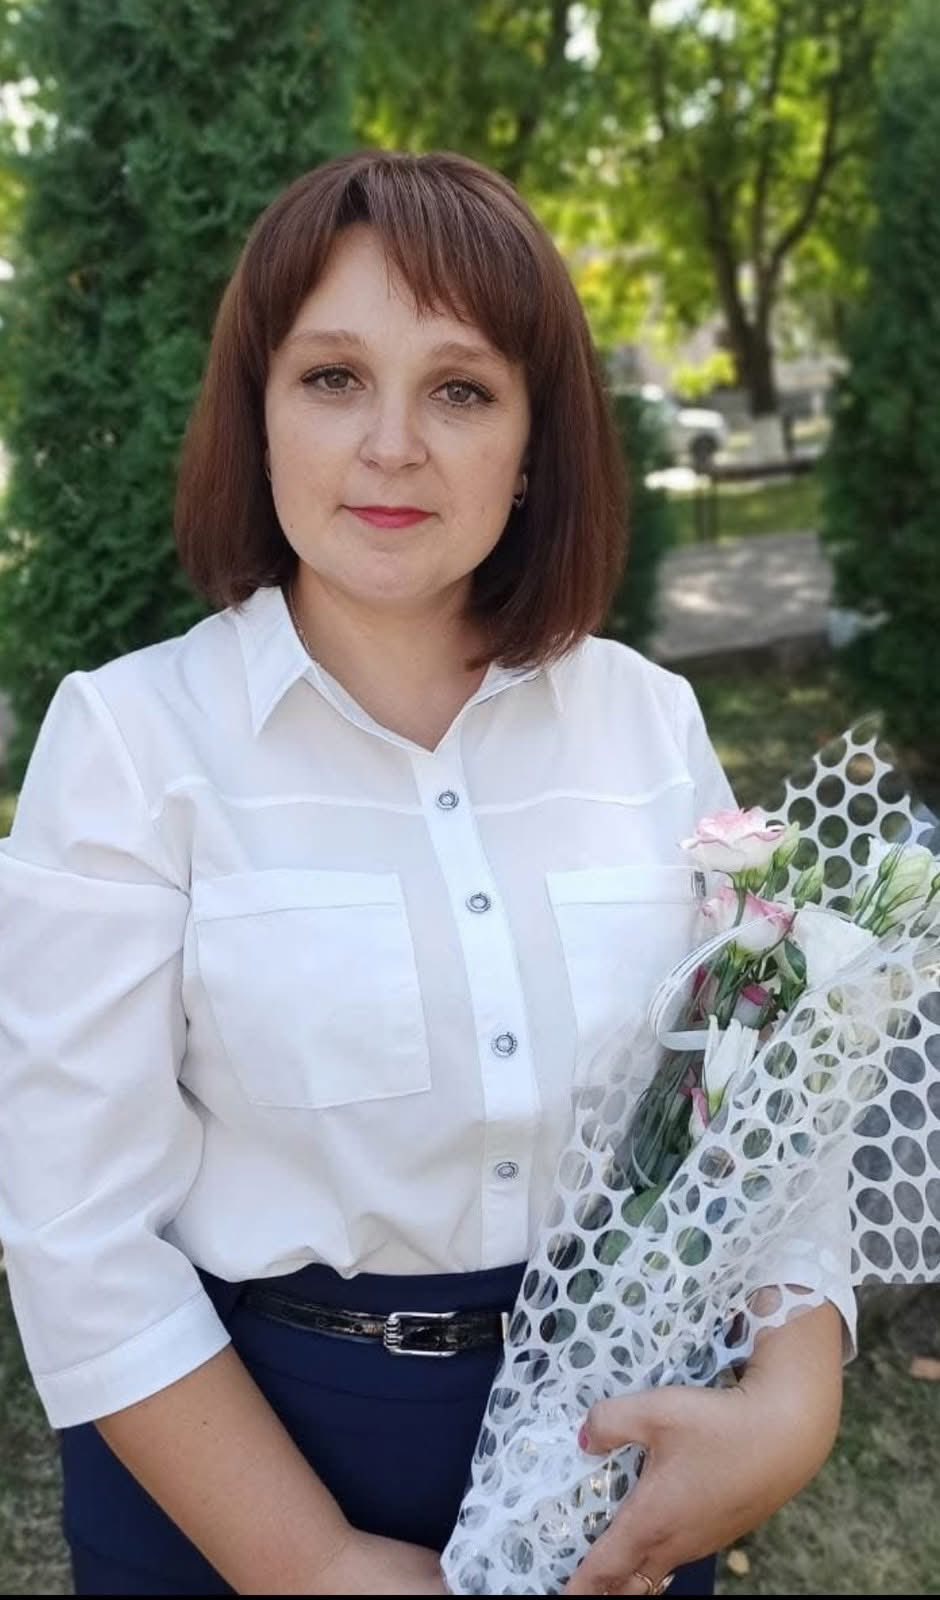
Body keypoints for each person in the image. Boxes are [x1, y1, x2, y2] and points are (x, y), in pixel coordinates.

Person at [0, 150, 853, 1598]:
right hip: (238, 1467)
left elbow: (765, 1108)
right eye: (333, 377)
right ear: (257, 416)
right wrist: (317, 1562)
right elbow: (75, 1228)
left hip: (606, 1449)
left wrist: (791, 1396)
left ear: (533, 447)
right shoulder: (132, 741)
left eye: (461, 390)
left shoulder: (650, 722)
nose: (392, 444)